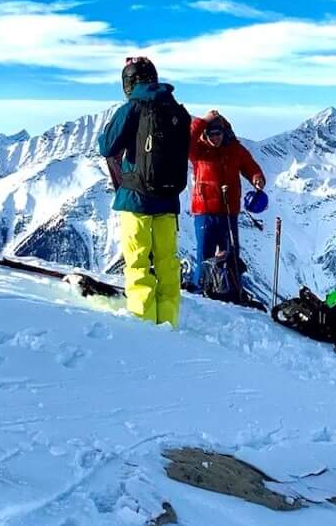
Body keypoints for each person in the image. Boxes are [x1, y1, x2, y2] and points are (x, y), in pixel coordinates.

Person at [97, 56, 190, 327]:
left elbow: (107, 147)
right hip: (169, 200)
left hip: (136, 199)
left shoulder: (133, 108)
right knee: (167, 264)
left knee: (138, 263)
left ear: (128, 83)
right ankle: (169, 321)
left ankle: (144, 323)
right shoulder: (177, 110)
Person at [188, 110, 266, 303]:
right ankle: (200, 290)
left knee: (231, 255)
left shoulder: (235, 149)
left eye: (218, 134)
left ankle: (233, 291)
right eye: (211, 134)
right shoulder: (198, 149)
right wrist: (202, 121)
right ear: (205, 134)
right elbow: (184, 142)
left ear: (224, 132)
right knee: (204, 254)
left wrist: (257, 179)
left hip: (229, 211)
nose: (215, 138)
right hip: (204, 210)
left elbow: (250, 166)